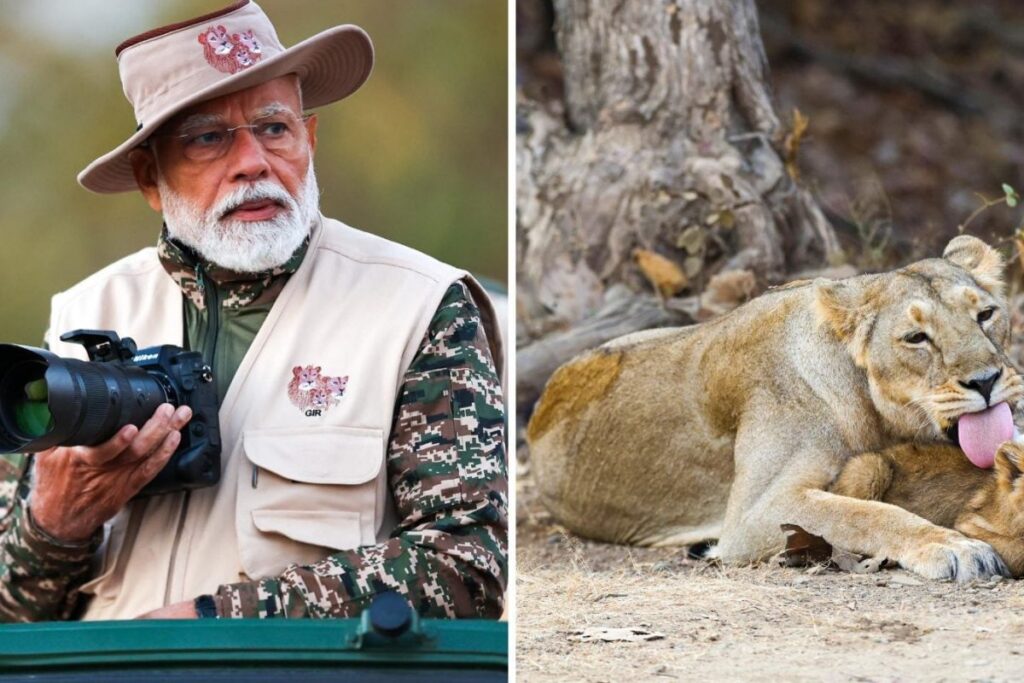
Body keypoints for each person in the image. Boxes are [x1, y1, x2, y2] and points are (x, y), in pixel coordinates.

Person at [0, 0, 506, 621]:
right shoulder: (79, 318)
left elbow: (469, 566)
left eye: (274, 128)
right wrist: (53, 528)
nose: (253, 163)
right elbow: (11, 611)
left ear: (309, 139)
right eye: (208, 138)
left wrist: (217, 620)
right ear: (149, 178)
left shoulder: (419, 306)